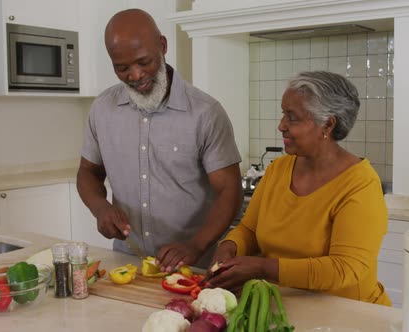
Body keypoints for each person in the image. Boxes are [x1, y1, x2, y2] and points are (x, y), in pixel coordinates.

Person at [76, 9, 242, 271]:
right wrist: (99, 207)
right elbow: (88, 171)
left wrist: (196, 245)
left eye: (144, 62)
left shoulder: (205, 112)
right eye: (122, 68)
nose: (136, 75)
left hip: (194, 265)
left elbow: (230, 191)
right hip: (127, 263)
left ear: (162, 46)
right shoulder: (102, 109)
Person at [207, 71, 391, 306]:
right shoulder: (278, 170)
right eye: (283, 114)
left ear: (328, 124)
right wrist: (229, 247)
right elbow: (249, 230)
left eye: (292, 118)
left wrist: (262, 268)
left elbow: (345, 268)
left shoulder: (360, 185)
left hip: (349, 313)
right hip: (285, 306)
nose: (281, 126)